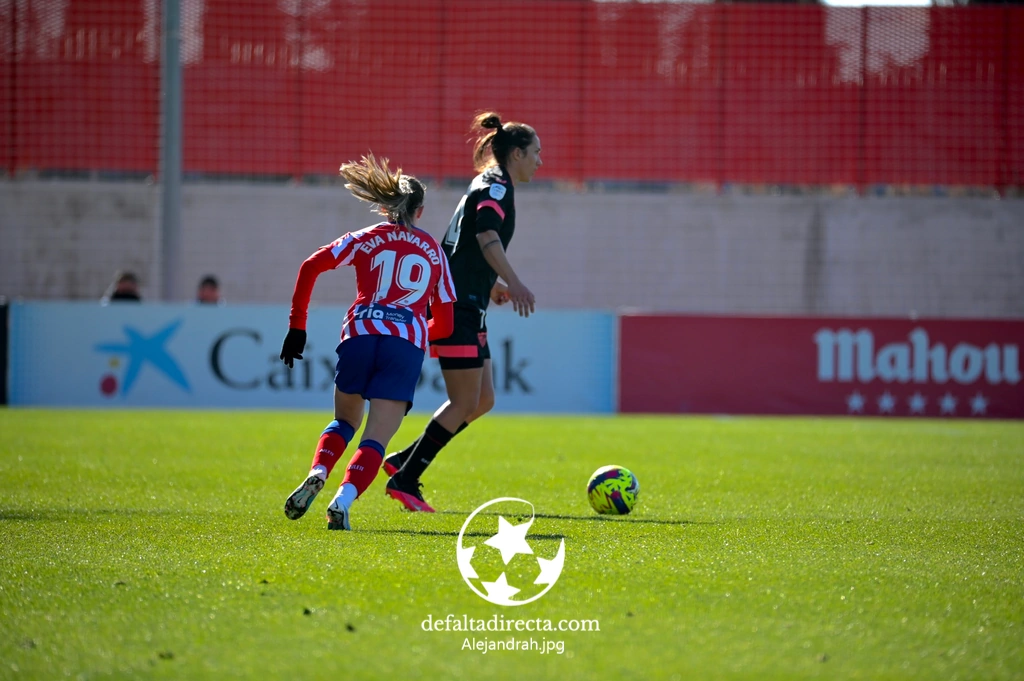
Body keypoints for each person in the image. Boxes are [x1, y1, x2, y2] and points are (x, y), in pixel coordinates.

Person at [280, 153, 456, 530]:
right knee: (377, 435)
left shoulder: (366, 238)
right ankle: (342, 500)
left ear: (386, 205)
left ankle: (318, 471)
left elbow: (310, 266)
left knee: (344, 419)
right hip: (404, 342)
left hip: (359, 333)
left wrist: (298, 326)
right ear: (420, 211)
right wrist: (420, 337)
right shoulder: (435, 253)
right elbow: (446, 321)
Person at [382, 111, 541, 513]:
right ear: (517, 153)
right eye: (536, 153)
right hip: (458, 304)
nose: (540, 161)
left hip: (469, 299)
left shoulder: (489, 184)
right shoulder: (496, 188)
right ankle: (406, 478)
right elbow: (486, 236)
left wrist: (494, 286)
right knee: (464, 400)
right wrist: (515, 281)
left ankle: (404, 460)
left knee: (482, 399)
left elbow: (463, 248)